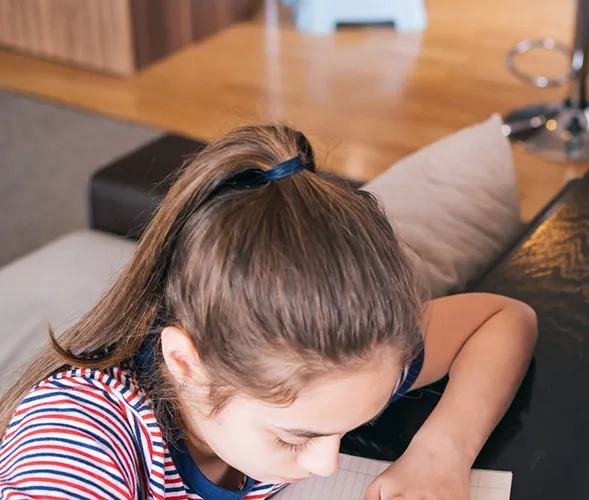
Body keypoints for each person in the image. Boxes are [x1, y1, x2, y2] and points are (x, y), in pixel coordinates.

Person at [0, 125, 538, 498]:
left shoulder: (346, 356)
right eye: (293, 438)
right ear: (187, 365)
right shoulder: (79, 434)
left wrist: (440, 454)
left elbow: (504, 320)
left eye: (352, 426)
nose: (326, 465)